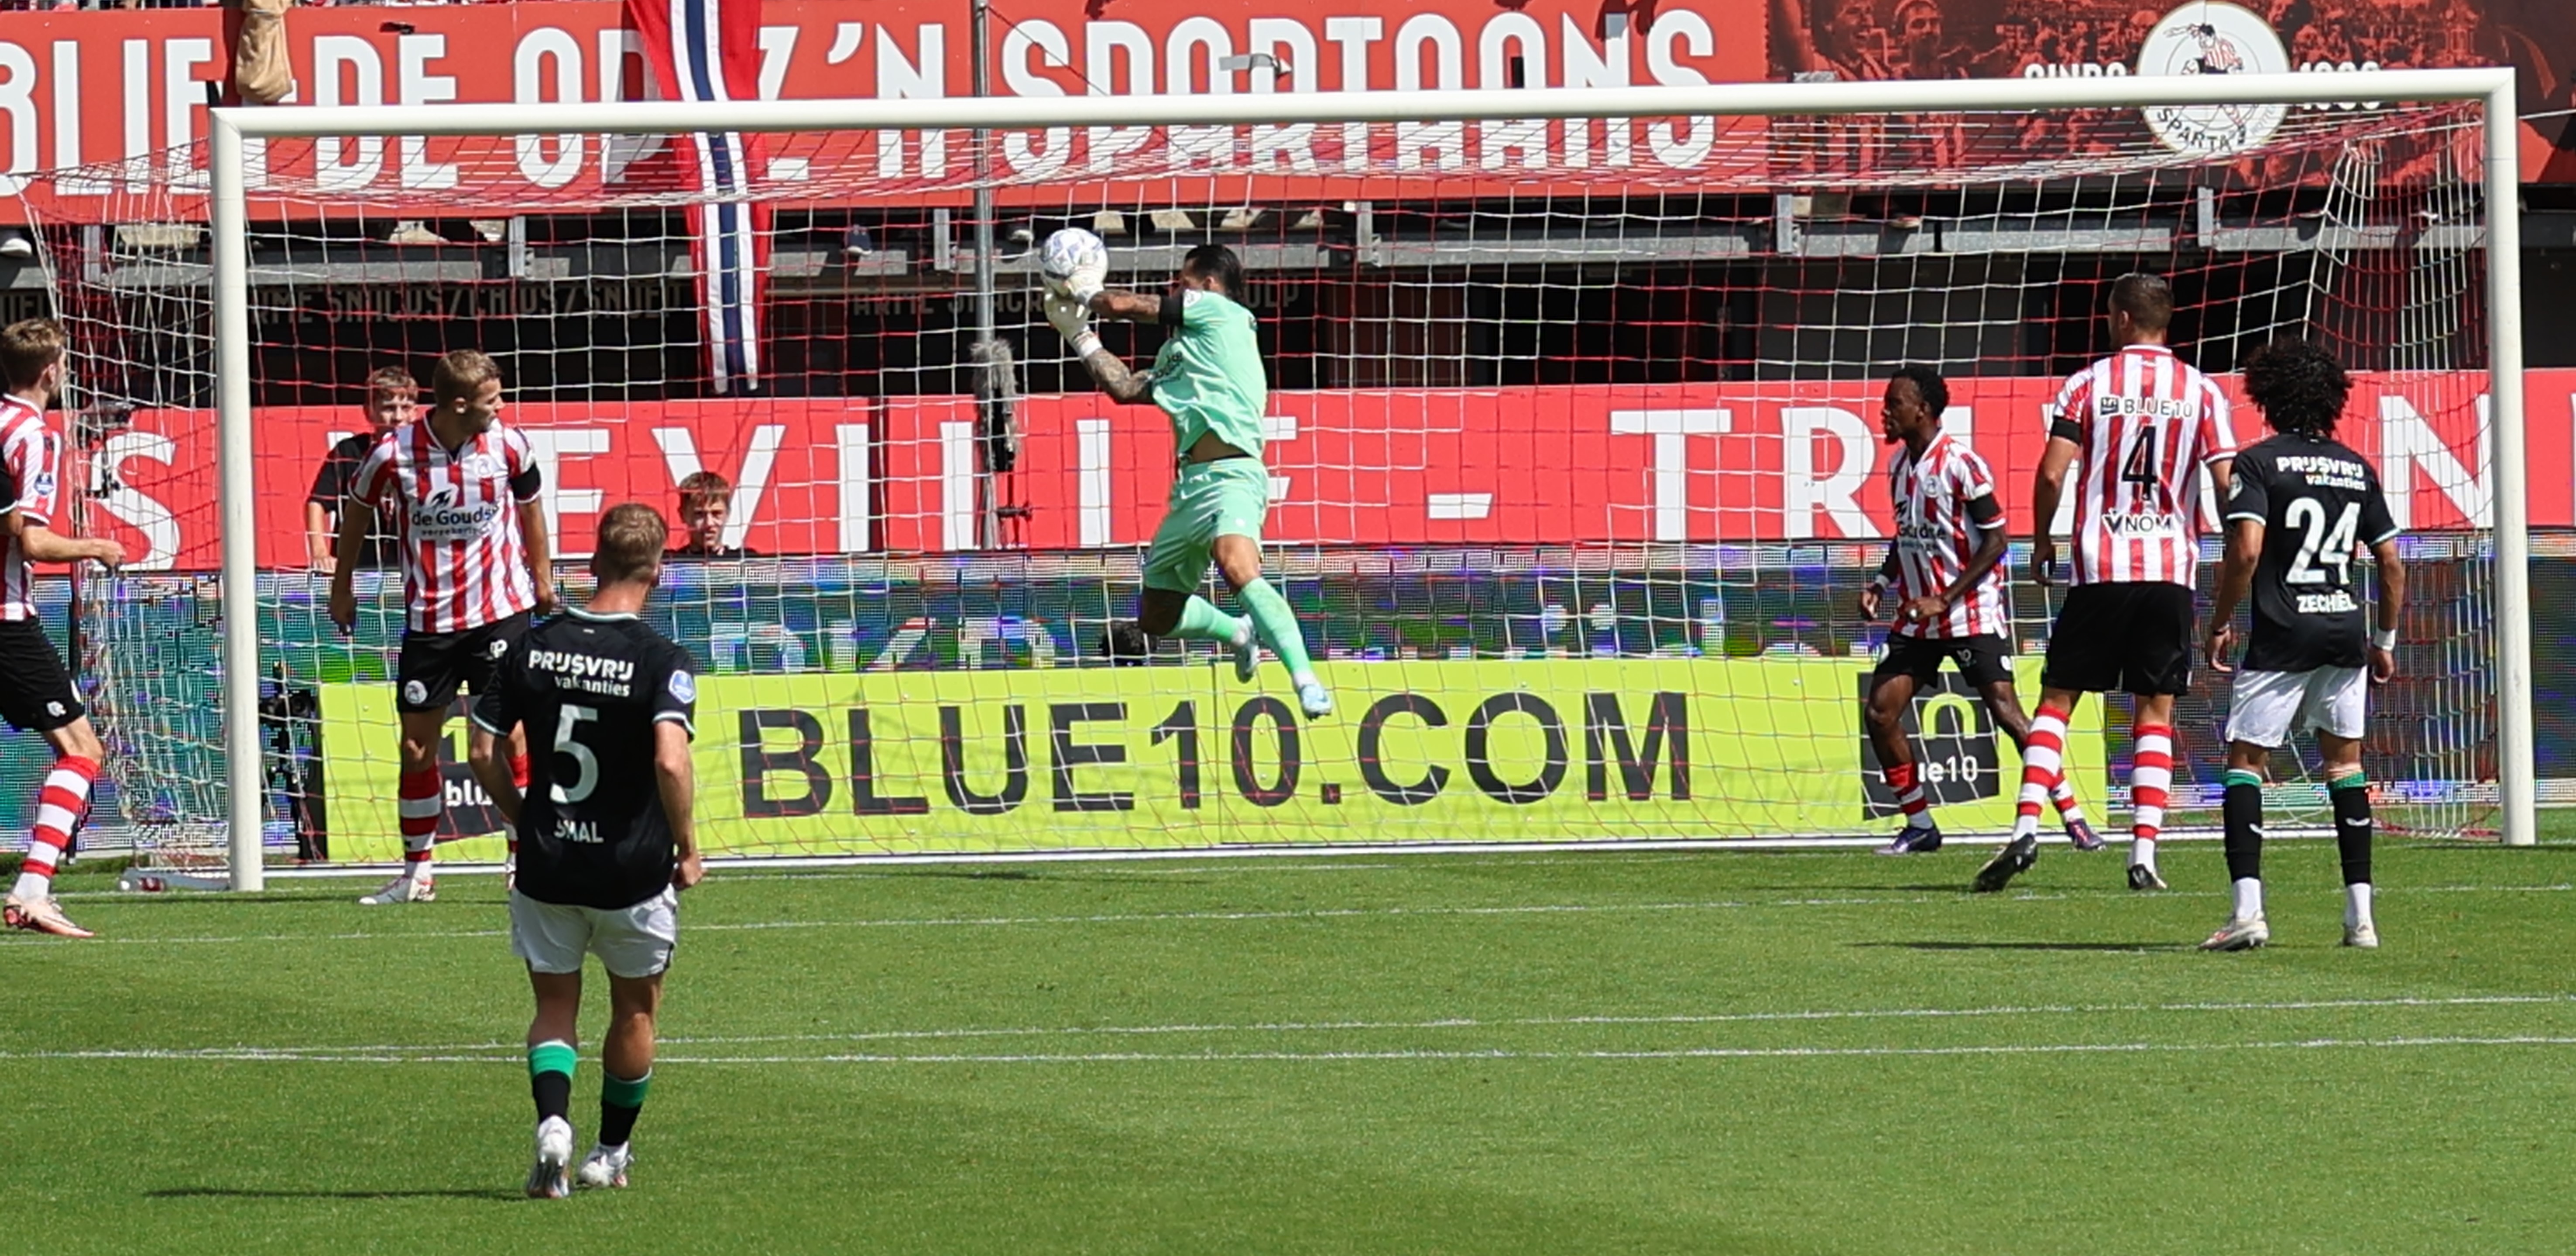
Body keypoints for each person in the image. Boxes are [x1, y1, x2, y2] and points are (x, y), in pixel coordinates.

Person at [1975, 273, 2236, 894]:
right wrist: (2236, 549)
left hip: (2099, 564)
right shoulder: (2200, 390)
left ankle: (2025, 828)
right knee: (2154, 710)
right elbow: (2225, 481)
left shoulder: (2086, 383)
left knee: (2056, 702)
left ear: (2120, 319)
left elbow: (2051, 473)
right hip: (2168, 569)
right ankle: (2143, 852)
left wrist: (2043, 539)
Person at [470, 502, 702, 1197]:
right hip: (630, 871)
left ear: (594, 560)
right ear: (656, 571)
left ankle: (553, 1126)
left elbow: (481, 750)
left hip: (549, 863)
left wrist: (522, 817)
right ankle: (610, 1152)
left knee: (554, 1005)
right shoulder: (661, 659)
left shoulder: (532, 646)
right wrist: (688, 847)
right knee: (635, 1010)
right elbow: (670, 760)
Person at [1043, 240, 1331, 718]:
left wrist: (1087, 289)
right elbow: (1126, 389)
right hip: (1190, 489)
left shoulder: (1223, 313)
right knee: (1157, 616)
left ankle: (1305, 679)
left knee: (1236, 564)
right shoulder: (1179, 352)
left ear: (1208, 285)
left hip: (1234, 474)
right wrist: (1079, 335)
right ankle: (1237, 632)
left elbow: (1125, 306)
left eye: (1183, 284)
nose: (1177, 291)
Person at [329, 349, 558, 905]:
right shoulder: (393, 453)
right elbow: (356, 512)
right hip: (430, 622)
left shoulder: (509, 445)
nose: (500, 407)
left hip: (501, 612)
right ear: (459, 404)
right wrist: (342, 585)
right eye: (491, 399)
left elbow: (531, 507)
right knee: (416, 747)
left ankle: (522, 858)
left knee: (508, 738)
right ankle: (418, 873)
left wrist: (543, 578)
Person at [2198, 339, 2402, 951]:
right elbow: (2390, 562)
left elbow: (2246, 550)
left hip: (2282, 631)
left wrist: (2219, 620)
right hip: (2343, 629)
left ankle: (2247, 912)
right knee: (2344, 767)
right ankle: (2361, 920)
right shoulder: (2355, 467)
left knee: (2244, 763)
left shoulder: (2256, 464)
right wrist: (2384, 639)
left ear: (2267, 396)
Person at [1861, 365, 2099, 855]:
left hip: (1968, 613)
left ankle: (2073, 817)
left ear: (1922, 410)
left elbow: (1996, 540)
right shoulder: (1899, 465)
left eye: (1894, 404)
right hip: (1918, 619)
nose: (1884, 413)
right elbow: (1907, 536)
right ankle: (1920, 825)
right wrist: (1882, 582)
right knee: (1880, 713)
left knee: (2008, 715)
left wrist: (1945, 598)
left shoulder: (1961, 464)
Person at [0, 319, 127, 938]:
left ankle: (35, 886)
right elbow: (32, 540)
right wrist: (97, 546)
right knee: (83, 749)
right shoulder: (33, 434)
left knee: (73, 747)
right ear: (52, 371)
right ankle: (32, 890)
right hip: (5, 620)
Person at [304, 367, 415, 572]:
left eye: (406, 407)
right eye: (389, 408)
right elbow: (317, 503)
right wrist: (320, 554)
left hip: (410, 569)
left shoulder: (424, 455)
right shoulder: (349, 451)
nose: (398, 417)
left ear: (415, 411)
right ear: (369, 412)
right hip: (357, 569)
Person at [670, 470, 753, 559]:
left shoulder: (747, 562)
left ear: (728, 514)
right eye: (700, 514)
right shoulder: (669, 562)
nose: (709, 523)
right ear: (683, 515)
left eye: (716, 514)